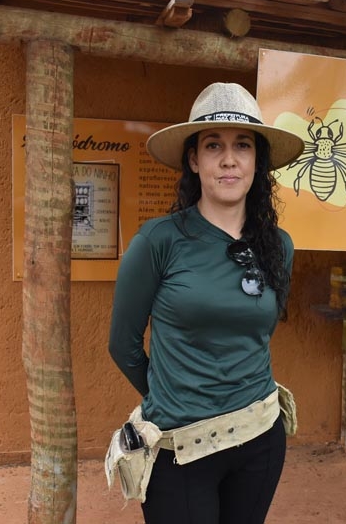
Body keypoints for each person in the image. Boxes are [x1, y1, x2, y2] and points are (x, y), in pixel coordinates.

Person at [108, 82, 305, 523]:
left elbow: (256, 335)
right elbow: (122, 344)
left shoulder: (278, 245)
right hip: (181, 446)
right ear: (194, 160)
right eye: (213, 145)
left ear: (258, 161)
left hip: (260, 437)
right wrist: (174, 396)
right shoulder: (158, 242)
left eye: (243, 145)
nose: (229, 159)